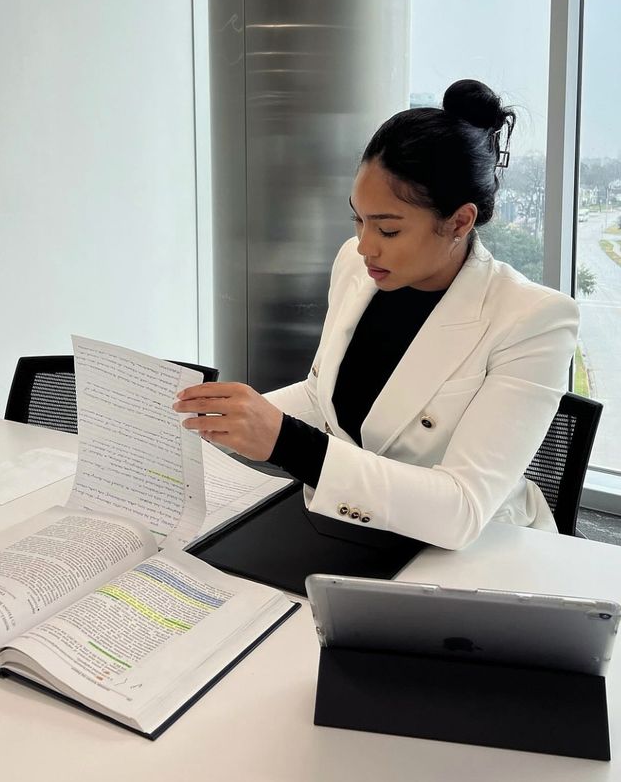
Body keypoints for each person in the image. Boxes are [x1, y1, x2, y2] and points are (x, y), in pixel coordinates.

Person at [173, 79, 580, 550]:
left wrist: (285, 442)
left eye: (387, 228)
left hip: (474, 555)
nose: (366, 245)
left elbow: (462, 509)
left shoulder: (534, 319)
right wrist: (222, 420)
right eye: (358, 219)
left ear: (459, 221)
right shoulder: (357, 264)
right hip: (355, 526)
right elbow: (321, 395)